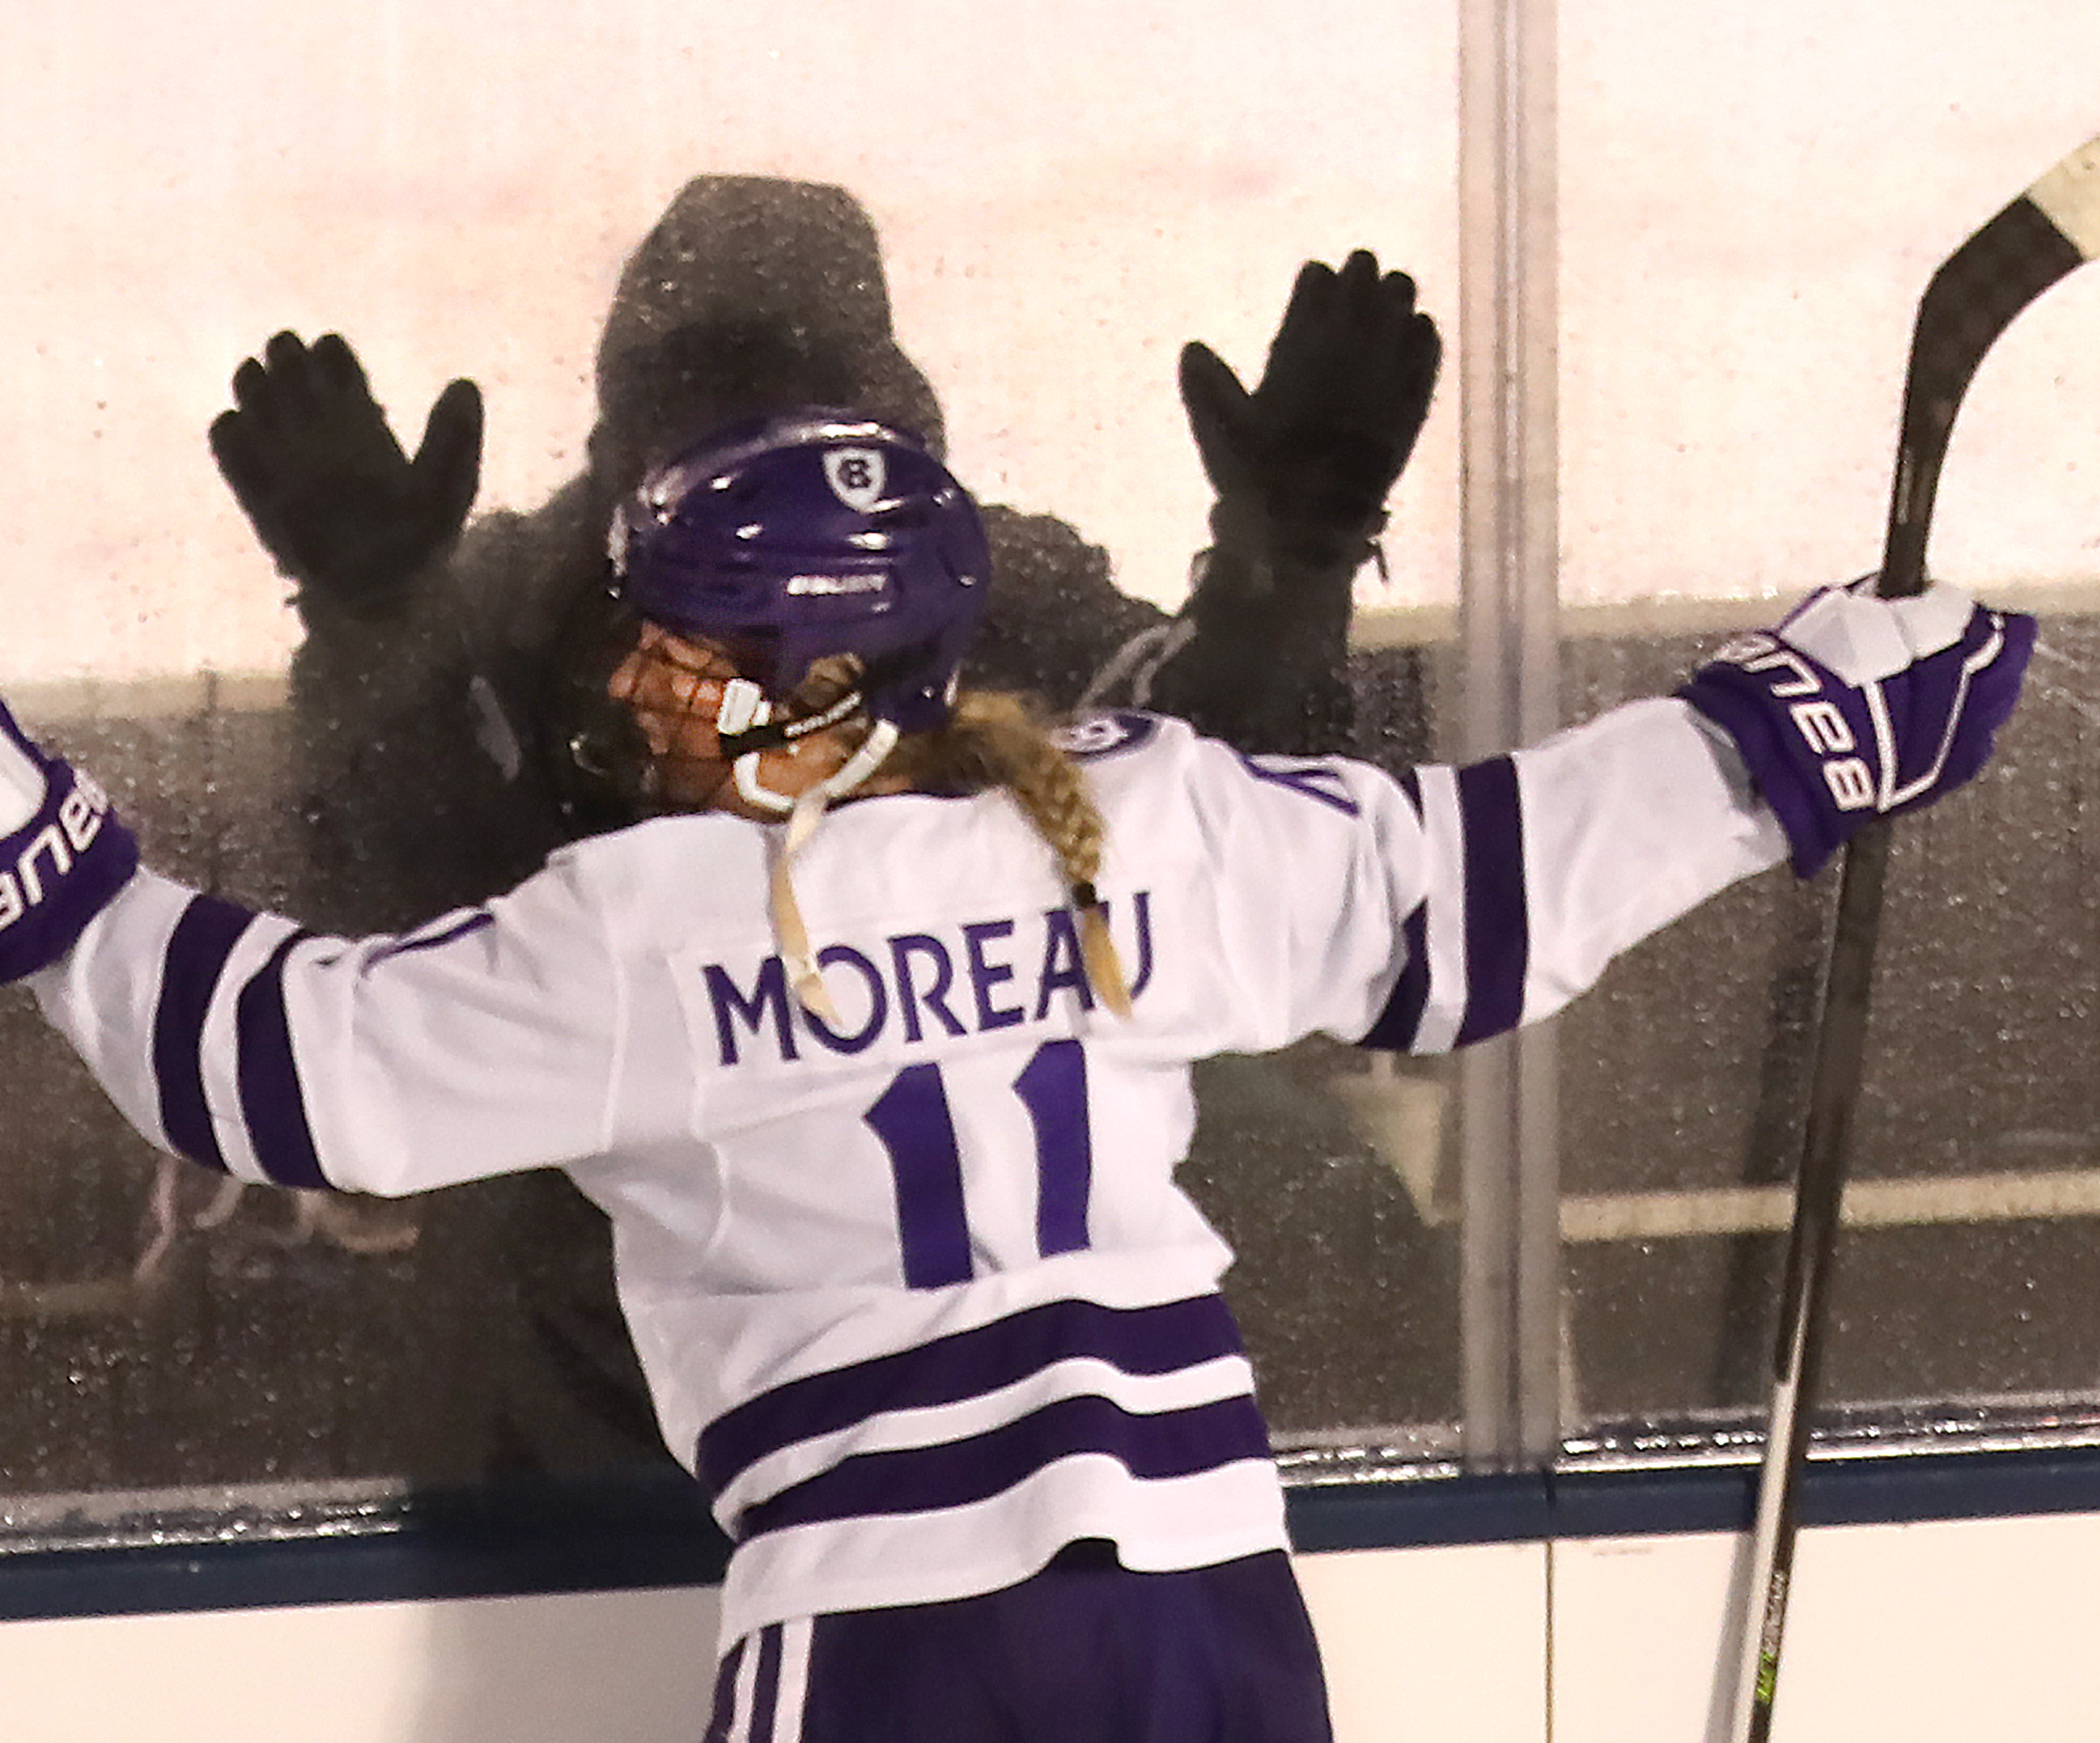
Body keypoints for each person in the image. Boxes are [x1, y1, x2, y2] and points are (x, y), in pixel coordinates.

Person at [0, 412, 2032, 1741]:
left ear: (826, 675)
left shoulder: (641, 930)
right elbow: (1479, 892)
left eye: (690, 645)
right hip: (1207, 1604)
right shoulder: (1133, 815)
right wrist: (1786, 734)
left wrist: (6, 844)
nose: (638, 685)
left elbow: (291, 1072)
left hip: (905, 1634)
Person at [201, 174, 1447, 1474]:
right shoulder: (520, 601)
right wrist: (380, 623)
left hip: (996, 1335)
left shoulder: (983, 579)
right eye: (709, 402)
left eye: (799, 395)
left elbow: (1201, 819)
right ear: (629, 429)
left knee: (1310, 1185)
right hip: (589, 1374)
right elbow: (402, 948)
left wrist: (1285, 572)